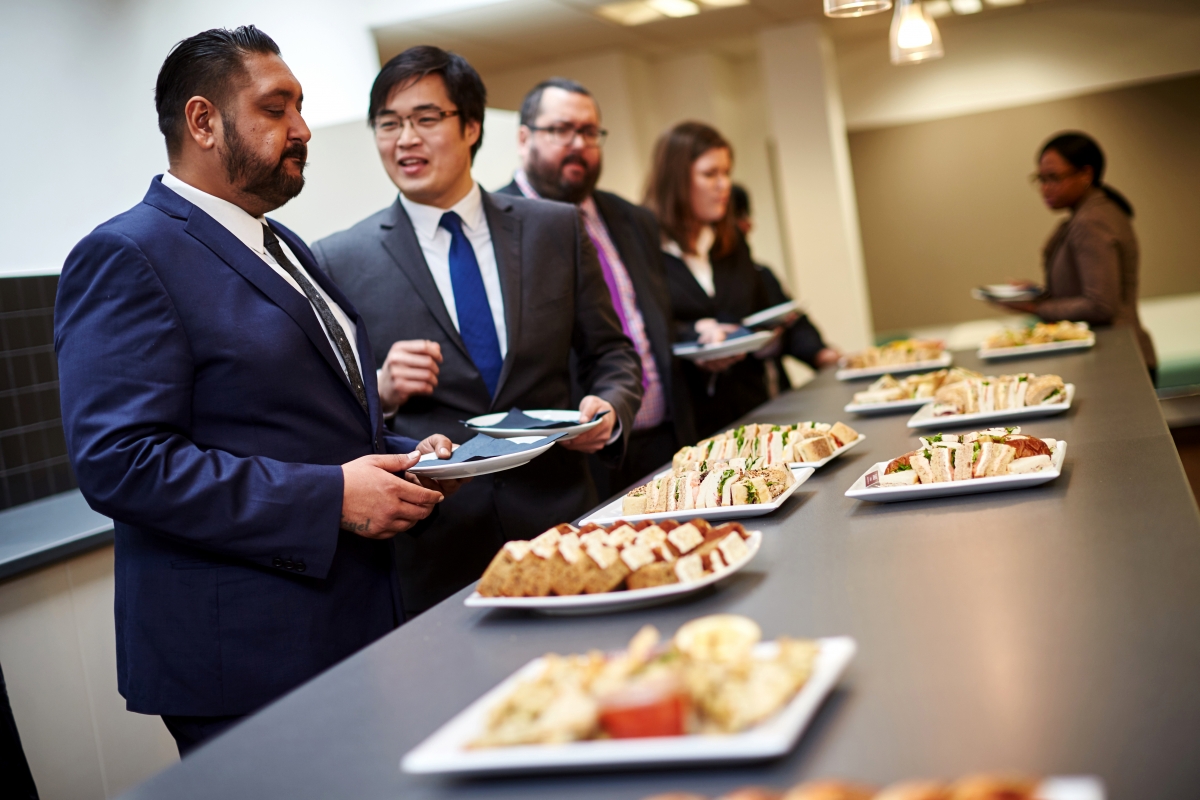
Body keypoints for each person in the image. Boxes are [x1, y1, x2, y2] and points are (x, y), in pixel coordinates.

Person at [54, 27, 462, 756]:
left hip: (347, 622)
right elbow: (120, 461)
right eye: (277, 109)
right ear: (203, 121)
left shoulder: (280, 244)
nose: (303, 128)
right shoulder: (127, 253)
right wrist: (331, 497)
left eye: (300, 106)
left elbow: (296, 421)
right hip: (247, 653)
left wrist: (406, 457)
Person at [313, 48, 643, 616]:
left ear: (471, 127)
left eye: (425, 119)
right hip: (436, 545)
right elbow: (330, 412)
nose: (404, 140)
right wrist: (383, 391)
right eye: (388, 124)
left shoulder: (553, 229)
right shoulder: (340, 259)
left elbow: (612, 352)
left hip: (562, 516)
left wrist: (611, 407)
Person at [495, 77, 695, 497]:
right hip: (578, 460)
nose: (578, 143)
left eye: (589, 132)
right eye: (561, 130)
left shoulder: (633, 219)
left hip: (666, 438)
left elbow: (649, 323)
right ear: (523, 137)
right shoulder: (497, 228)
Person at [645, 121, 787, 437]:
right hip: (690, 424)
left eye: (726, 173)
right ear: (676, 180)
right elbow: (647, 330)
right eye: (710, 174)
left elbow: (758, 310)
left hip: (753, 407)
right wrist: (696, 332)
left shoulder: (732, 239)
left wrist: (766, 333)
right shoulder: (643, 249)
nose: (724, 185)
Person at [991, 131, 1156, 380]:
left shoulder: (1092, 221)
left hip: (1117, 363)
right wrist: (1038, 294)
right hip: (1117, 357)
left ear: (1086, 174)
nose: (1045, 188)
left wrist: (1038, 307)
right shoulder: (1091, 213)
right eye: (1041, 179)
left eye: (1054, 178)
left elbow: (1100, 305)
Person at [730, 183, 840, 395]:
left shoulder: (761, 273)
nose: (748, 225)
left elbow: (796, 325)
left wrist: (820, 353)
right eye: (741, 216)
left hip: (773, 388)